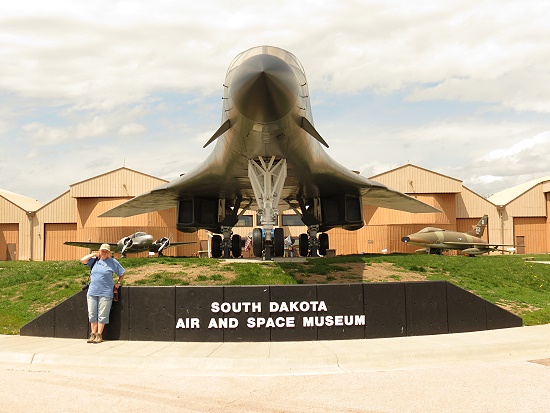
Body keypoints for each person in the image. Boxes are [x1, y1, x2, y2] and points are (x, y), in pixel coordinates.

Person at [80, 243, 125, 344]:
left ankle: (99, 334)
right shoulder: (95, 261)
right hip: (92, 291)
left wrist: (118, 283)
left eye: (106, 251)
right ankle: (93, 333)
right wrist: (93, 255)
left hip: (105, 292)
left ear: (109, 253)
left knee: (102, 314)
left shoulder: (113, 262)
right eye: (102, 251)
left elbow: (122, 273)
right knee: (92, 314)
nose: (104, 253)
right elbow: (82, 260)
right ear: (99, 251)